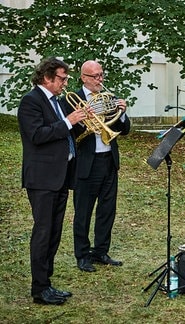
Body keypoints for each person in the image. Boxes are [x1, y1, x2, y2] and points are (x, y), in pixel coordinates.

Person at [18, 57, 88, 305]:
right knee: (43, 232)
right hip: (42, 178)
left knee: (54, 233)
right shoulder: (31, 101)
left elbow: (64, 132)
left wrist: (81, 122)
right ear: (47, 77)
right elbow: (37, 135)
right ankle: (39, 289)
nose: (65, 83)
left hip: (60, 176)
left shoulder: (56, 102)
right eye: (62, 78)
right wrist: (69, 121)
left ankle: (46, 283)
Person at [68, 60, 130, 272]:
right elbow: (68, 132)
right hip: (87, 162)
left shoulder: (109, 97)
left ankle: (101, 251)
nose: (99, 80)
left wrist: (122, 112)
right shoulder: (70, 100)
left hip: (108, 161)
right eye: (95, 76)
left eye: (101, 75)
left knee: (107, 210)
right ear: (83, 77)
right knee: (83, 211)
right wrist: (83, 118)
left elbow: (125, 129)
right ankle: (82, 255)